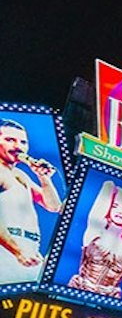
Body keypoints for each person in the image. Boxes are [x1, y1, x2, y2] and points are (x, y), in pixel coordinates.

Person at [0, 117, 63, 285]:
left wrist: (44, 178)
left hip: (29, 254)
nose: (17, 147)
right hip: (7, 254)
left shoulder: (20, 175)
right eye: (9, 140)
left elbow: (53, 206)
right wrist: (18, 251)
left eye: (22, 142)